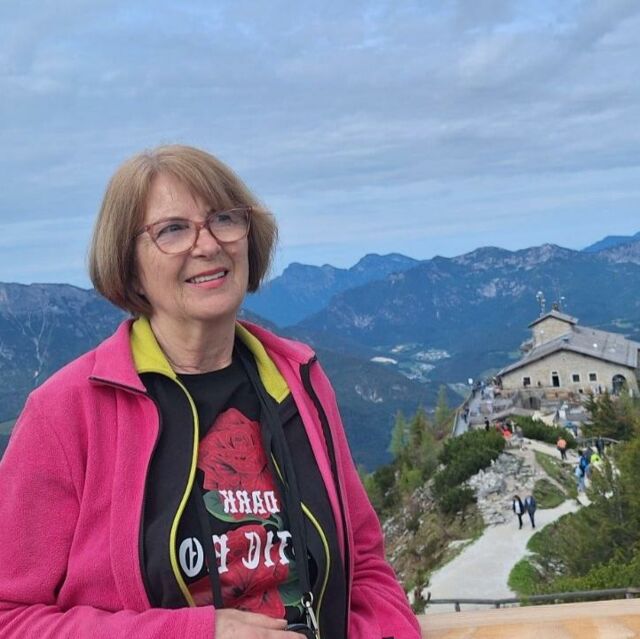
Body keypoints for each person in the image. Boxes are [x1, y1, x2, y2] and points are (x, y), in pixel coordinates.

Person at [0, 145, 420, 639]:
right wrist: (197, 633)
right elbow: (10, 617)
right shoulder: (65, 412)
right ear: (130, 266)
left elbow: (365, 565)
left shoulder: (299, 381)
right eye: (173, 230)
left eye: (223, 218)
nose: (208, 245)